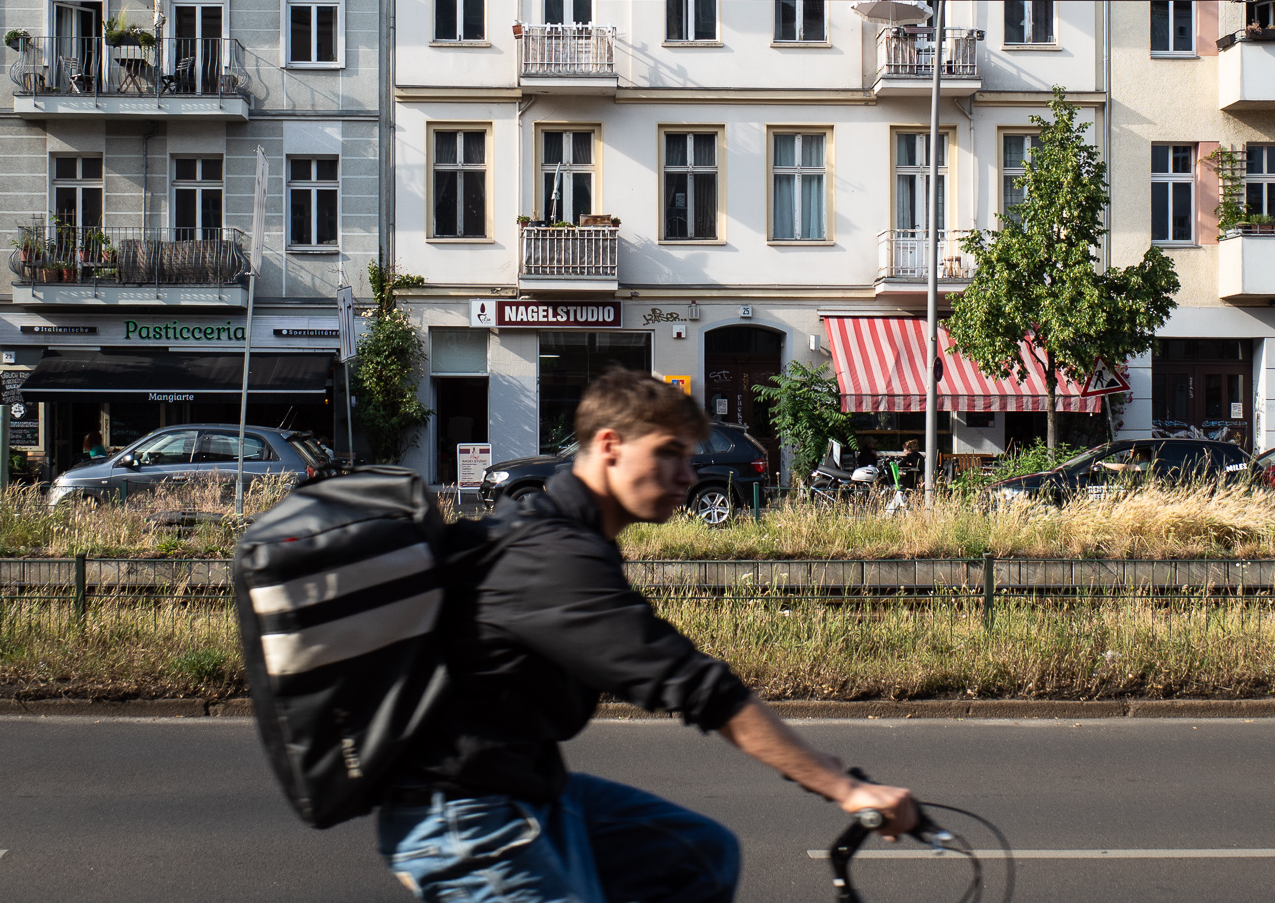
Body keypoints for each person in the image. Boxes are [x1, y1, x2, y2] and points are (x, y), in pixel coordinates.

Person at [380, 370, 918, 901]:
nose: (688, 474)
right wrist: (843, 787)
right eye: (669, 453)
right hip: (460, 813)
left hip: (527, 783)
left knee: (701, 855)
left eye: (689, 456)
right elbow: (696, 686)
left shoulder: (573, 536)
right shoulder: (554, 557)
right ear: (610, 446)